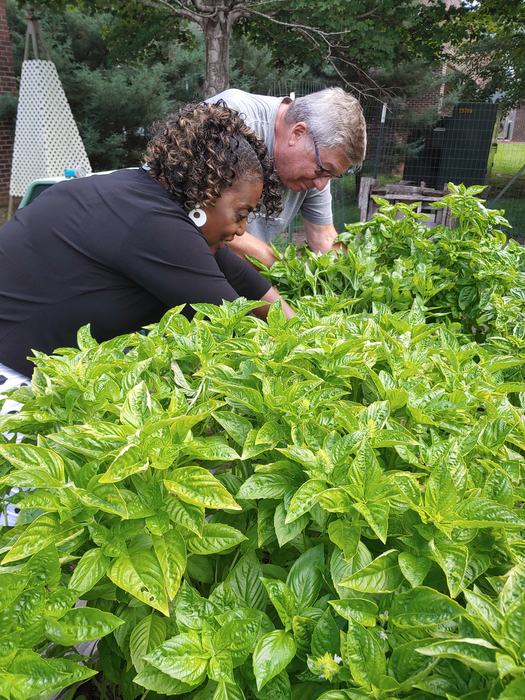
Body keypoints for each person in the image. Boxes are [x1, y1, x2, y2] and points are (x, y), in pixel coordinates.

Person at [0, 101, 294, 381]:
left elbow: (248, 283)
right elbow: (231, 326)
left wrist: (301, 330)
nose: (242, 230)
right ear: (207, 192)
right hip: (10, 377)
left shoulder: (145, 195)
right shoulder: (154, 226)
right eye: (240, 214)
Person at [207, 87, 367, 267]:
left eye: (332, 175)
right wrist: (286, 270)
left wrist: (352, 274)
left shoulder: (318, 162)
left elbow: (323, 237)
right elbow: (209, 225)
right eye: (323, 170)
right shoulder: (228, 119)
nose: (321, 185)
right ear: (297, 133)